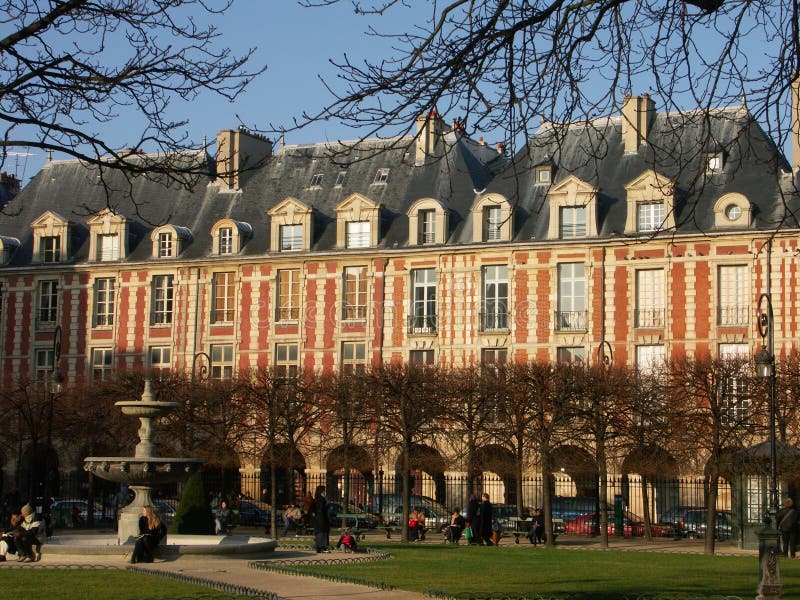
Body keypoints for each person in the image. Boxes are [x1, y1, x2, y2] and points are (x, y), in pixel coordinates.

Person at [311, 485, 331, 553]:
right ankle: (322, 547)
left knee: (320, 533)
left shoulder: (316, 499)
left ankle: (319, 547)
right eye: (323, 491)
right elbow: (322, 509)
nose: (324, 492)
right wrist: (327, 504)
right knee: (322, 533)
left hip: (318, 519)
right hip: (321, 519)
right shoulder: (321, 499)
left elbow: (312, 509)